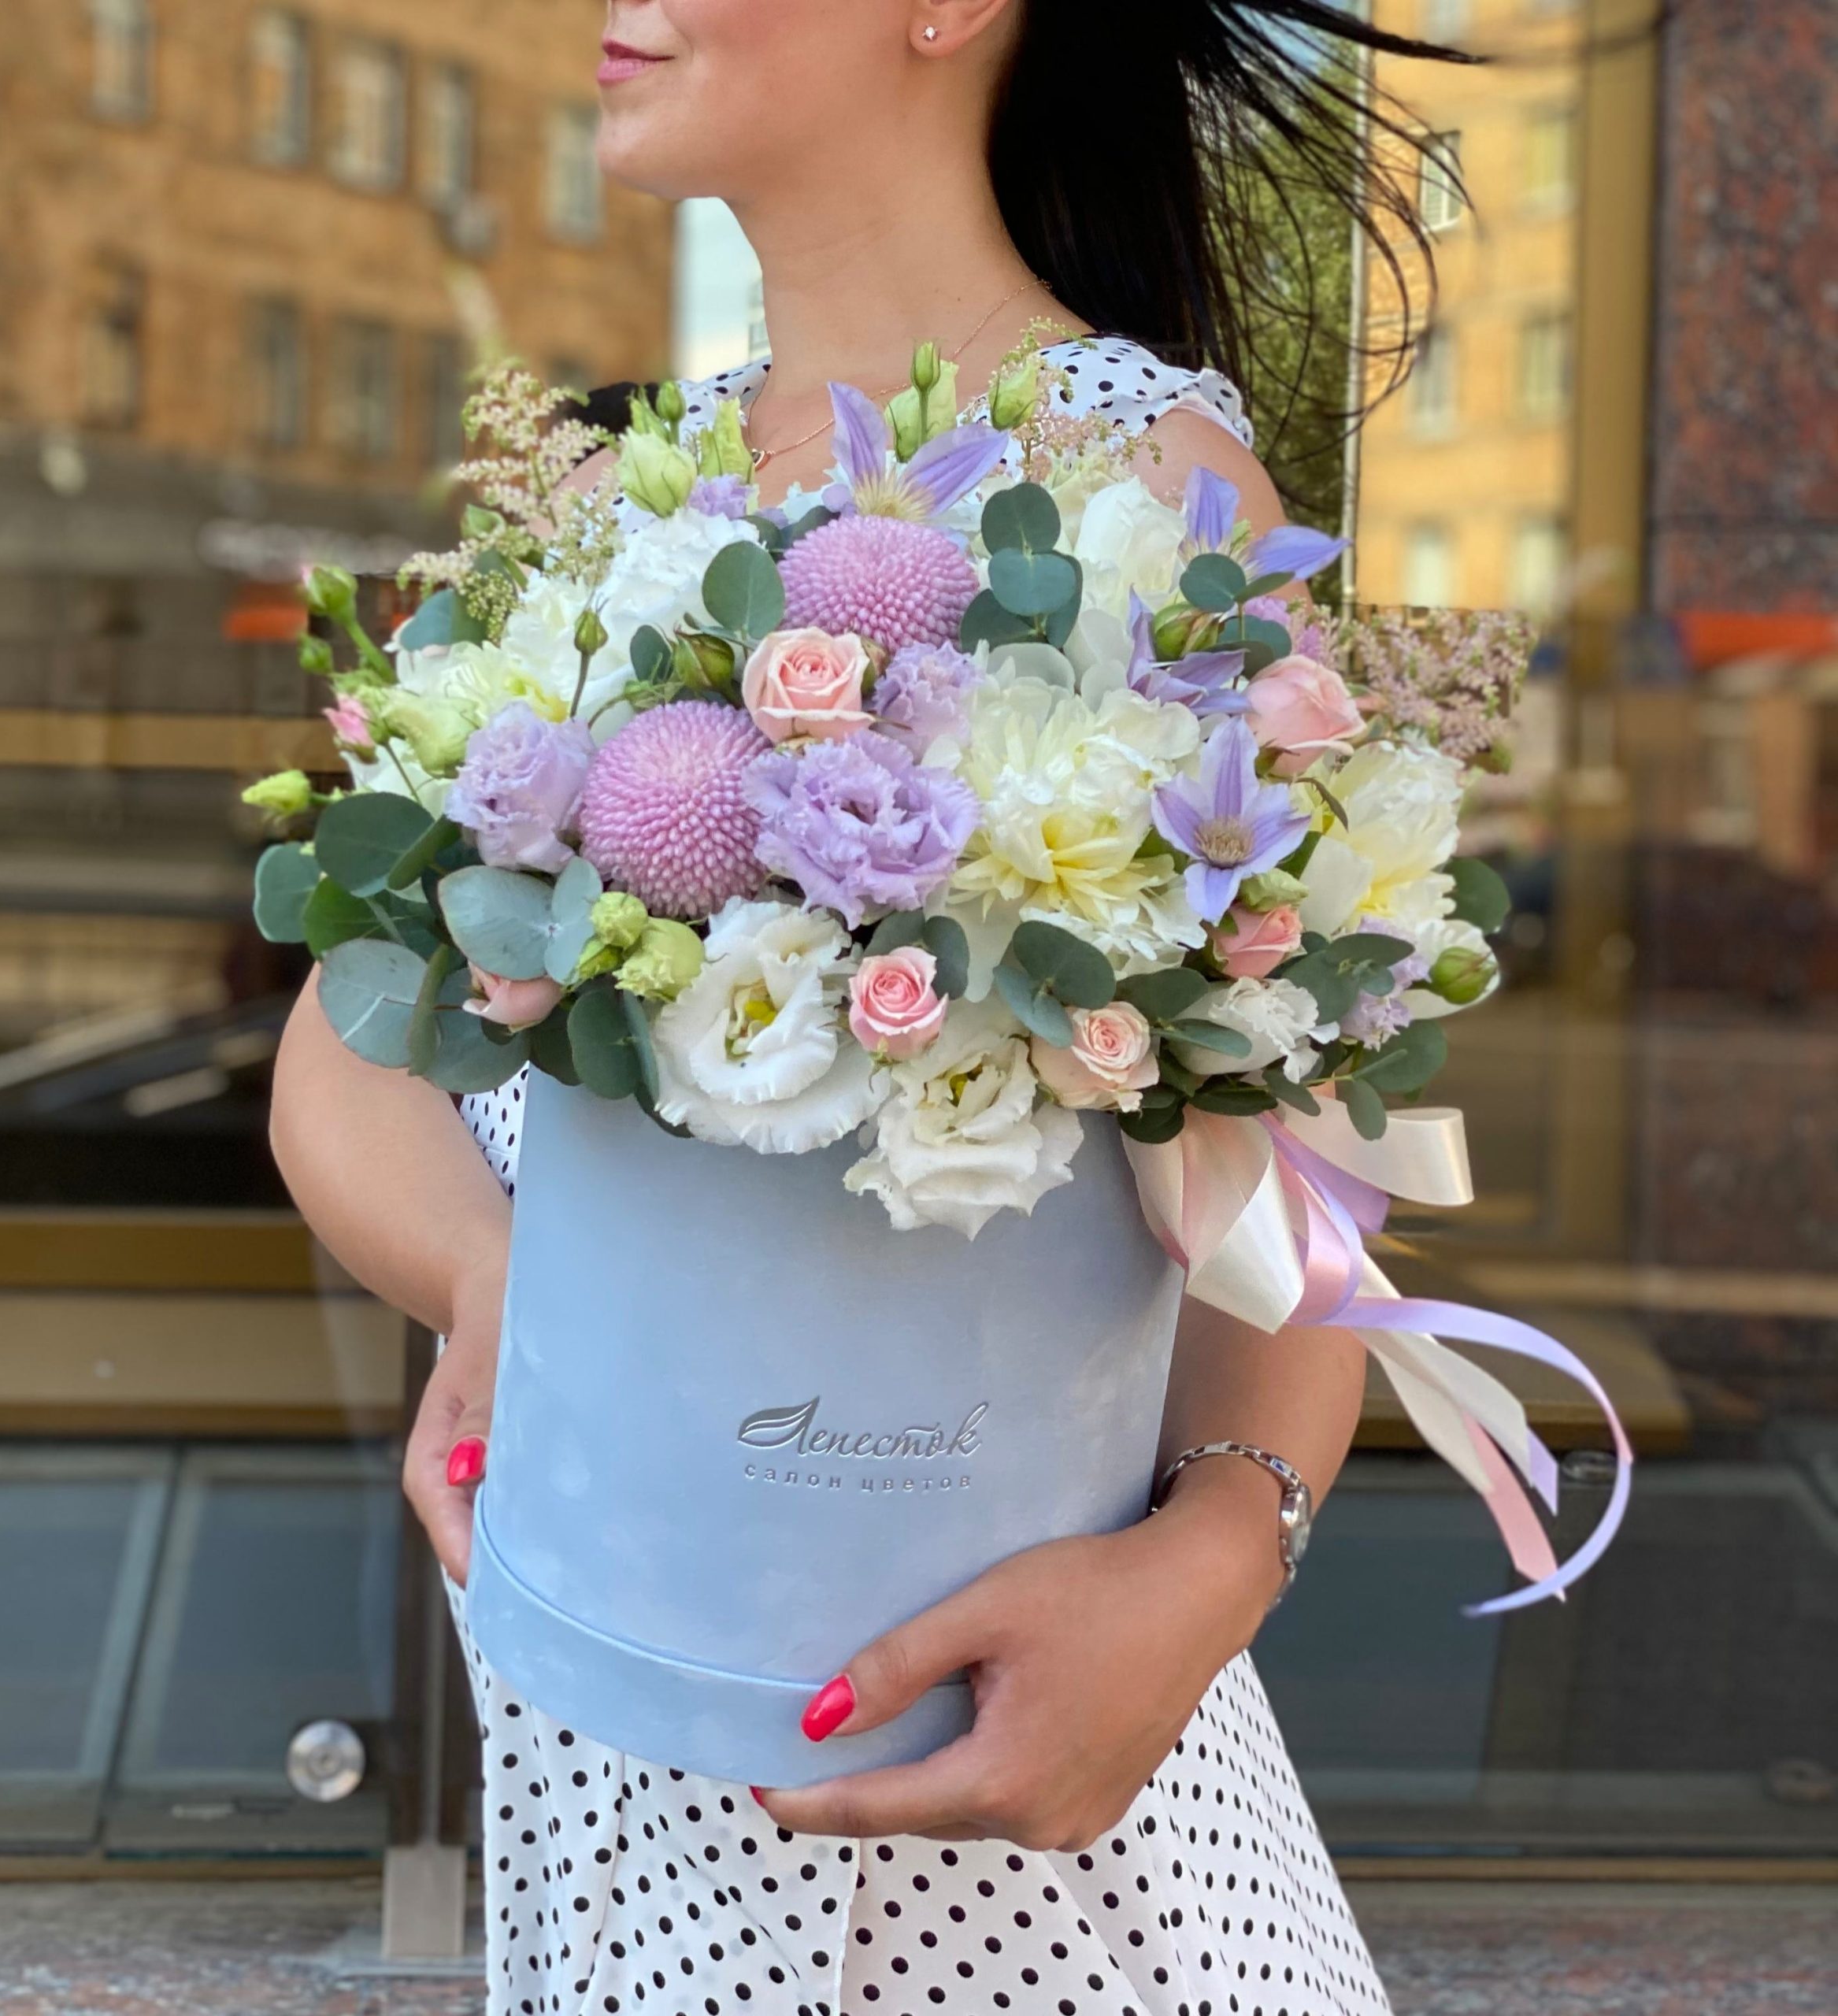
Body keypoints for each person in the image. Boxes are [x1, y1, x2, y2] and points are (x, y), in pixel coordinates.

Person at [273, 4, 1470, 2010]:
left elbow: (1291, 1164)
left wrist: (1201, 1572)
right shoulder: (616, 498)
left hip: (1020, 1860)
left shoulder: (1140, 480)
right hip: (613, 1800)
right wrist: (507, 1295)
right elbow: (349, 1042)